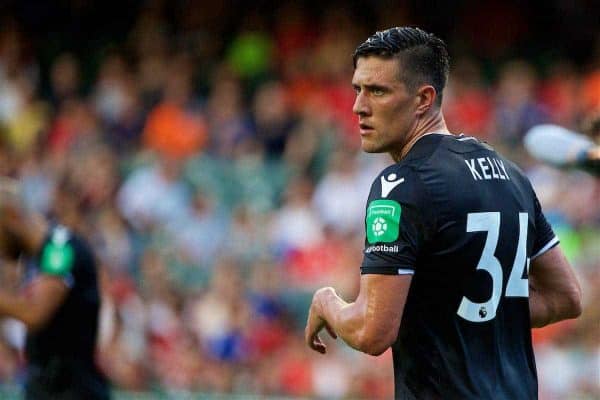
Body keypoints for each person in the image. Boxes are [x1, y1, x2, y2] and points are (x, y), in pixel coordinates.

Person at [305, 27, 582, 399]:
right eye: (358, 89)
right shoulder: (511, 175)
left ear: (423, 99)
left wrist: (328, 302)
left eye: (378, 91)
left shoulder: (401, 185)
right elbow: (566, 297)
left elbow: (372, 332)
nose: (359, 106)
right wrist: (465, 314)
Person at [0, 177, 110, 399]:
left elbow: (35, 312)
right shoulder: (33, 261)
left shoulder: (60, 247)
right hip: (45, 387)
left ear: (11, 217)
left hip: (74, 390)